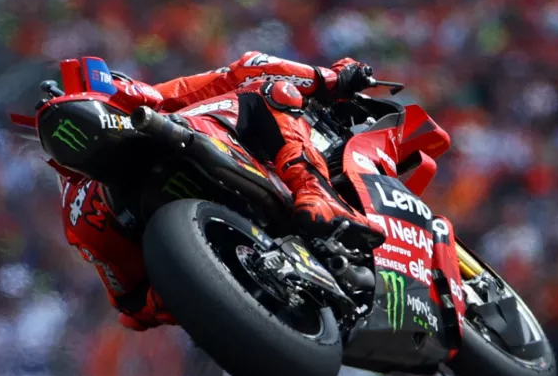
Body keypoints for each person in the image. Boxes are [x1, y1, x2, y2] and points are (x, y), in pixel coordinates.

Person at [55, 52, 388, 332]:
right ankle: (315, 192)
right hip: (203, 189)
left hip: (193, 277)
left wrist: (183, 296)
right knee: (273, 91)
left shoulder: (76, 210)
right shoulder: (147, 98)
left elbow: (132, 309)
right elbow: (248, 67)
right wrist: (329, 79)